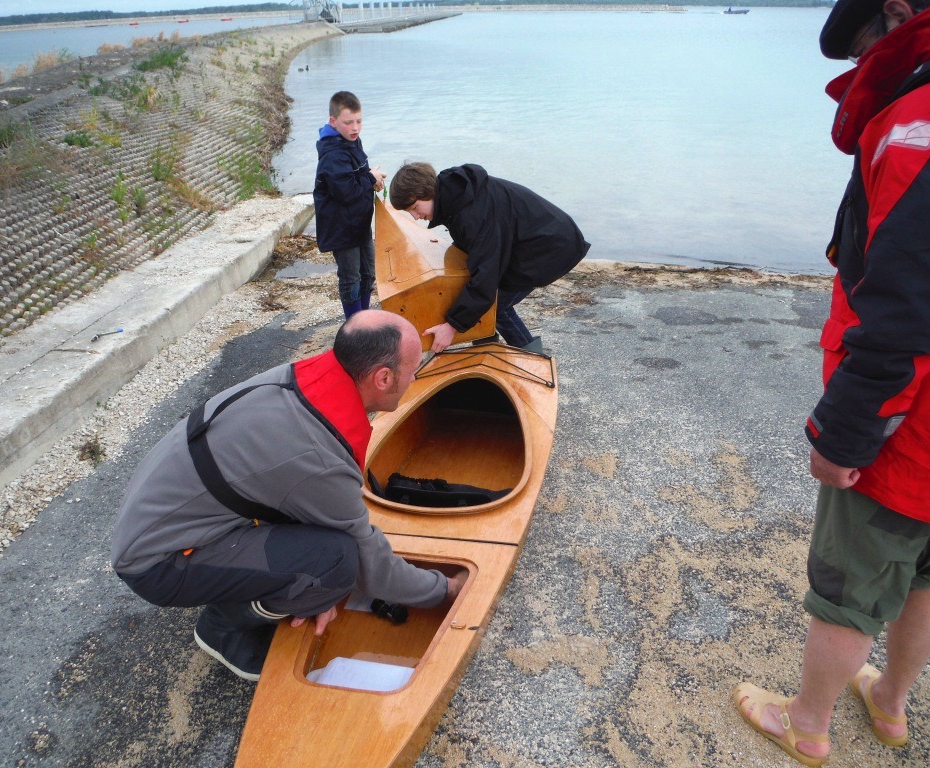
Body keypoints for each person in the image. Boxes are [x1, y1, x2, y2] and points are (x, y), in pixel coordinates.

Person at [733, 0, 930, 765]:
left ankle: (806, 724)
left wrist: (849, 428)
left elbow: (907, 299)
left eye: (863, 43)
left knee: (847, 588)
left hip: (917, 418)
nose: (860, 64)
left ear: (898, 13)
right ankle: (891, 707)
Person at [111, 310, 464, 681]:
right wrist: (443, 589)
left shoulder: (304, 377)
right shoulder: (319, 454)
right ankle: (222, 628)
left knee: (322, 553)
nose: (415, 376)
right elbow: (370, 566)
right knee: (335, 563)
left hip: (162, 511)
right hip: (158, 561)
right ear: (383, 377)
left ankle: (251, 587)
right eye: (413, 369)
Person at [388, 162, 590, 353]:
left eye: (414, 208)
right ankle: (485, 354)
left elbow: (486, 275)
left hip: (550, 246)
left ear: (428, 192)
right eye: (409, 212)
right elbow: (475, 251)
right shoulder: (456, 196)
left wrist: (452, 325)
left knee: (496, 306)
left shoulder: (472, 214)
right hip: (527, 241)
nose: (415, 217)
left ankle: (535, 363)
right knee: (480, 299)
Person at [313, 91, 387, 319]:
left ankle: (363, 318)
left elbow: (358, 175)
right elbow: (346, 192)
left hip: (360, 224)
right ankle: (354, 324)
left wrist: (372, 178)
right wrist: (370, 178)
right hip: (342, 229)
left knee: (368, 272)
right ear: (333, 122)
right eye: (348, 122)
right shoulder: (332, 154)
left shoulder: (352, 141)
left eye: (359, 121)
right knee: (351, 277)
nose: (355, 127)